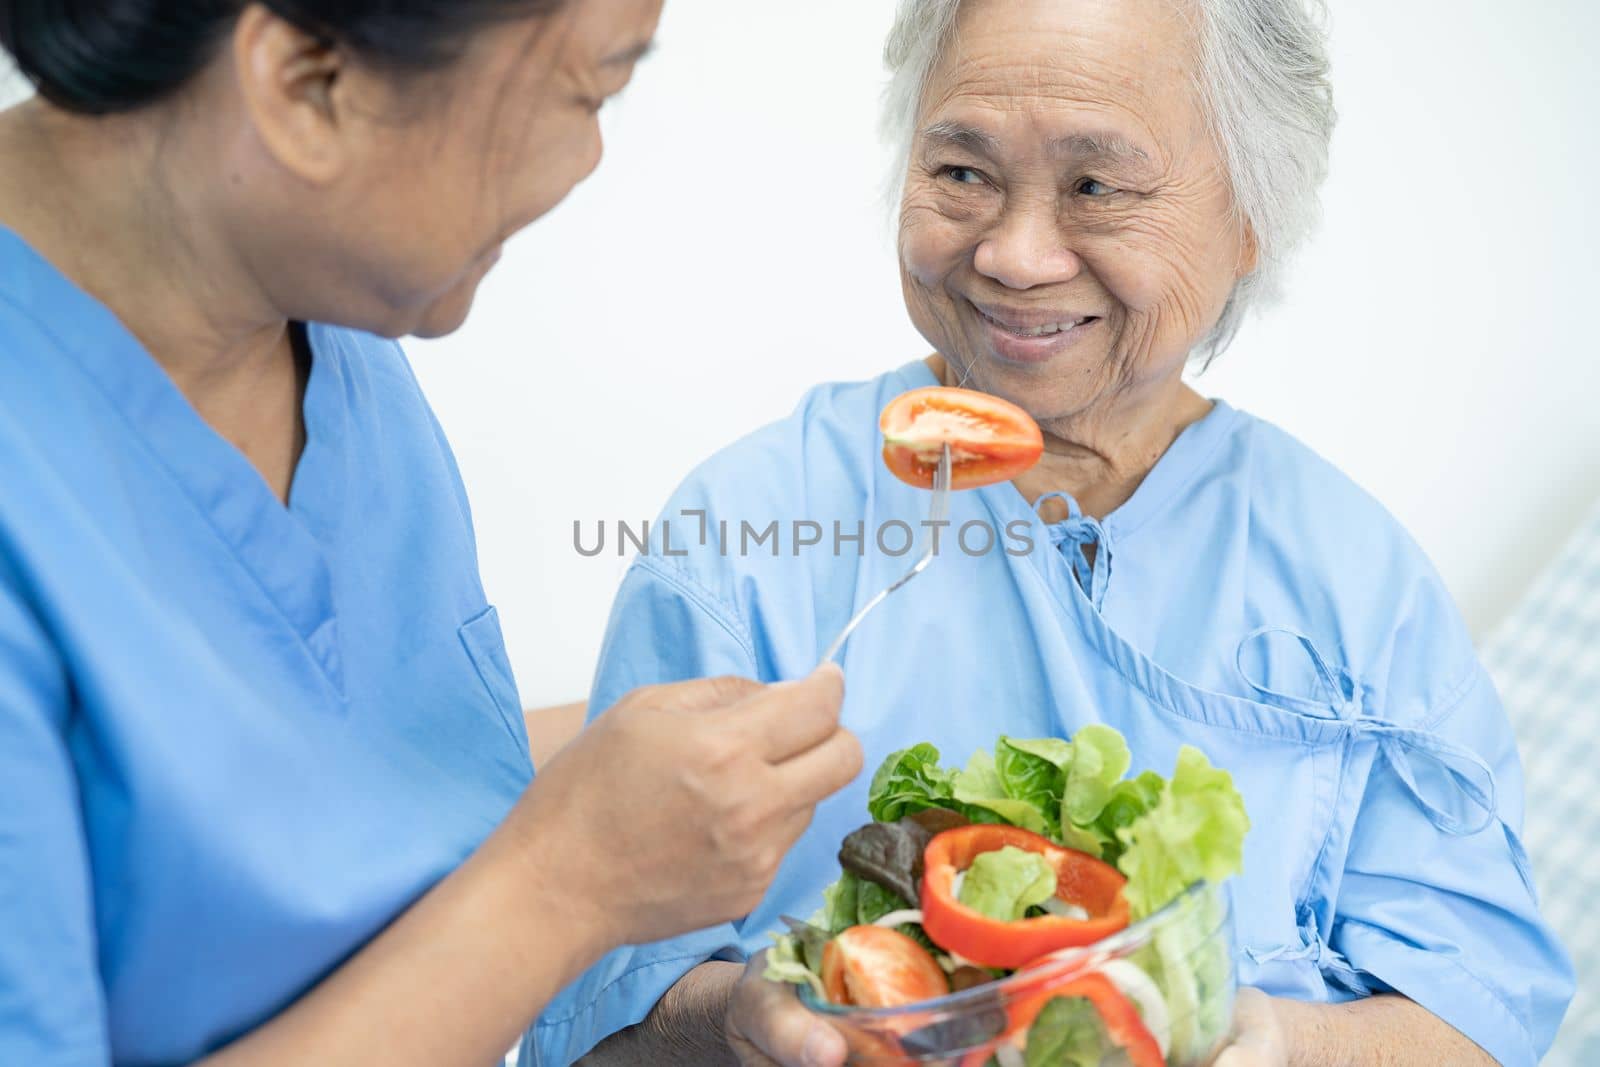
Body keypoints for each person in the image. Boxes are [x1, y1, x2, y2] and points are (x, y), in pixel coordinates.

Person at [538, 0, 1575, 1064]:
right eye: (961, 172)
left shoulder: (1359, 582)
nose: (1016, 254)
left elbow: (1475, 1013)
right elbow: (587, 1008)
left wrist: (1275, 1039)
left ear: (1252, 217)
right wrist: (731, 1018)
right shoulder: (746, 529)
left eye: (1095, 186)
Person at [0, 2, 863, 1064]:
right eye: (588, 90)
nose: (589, 157)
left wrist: (686, 1002)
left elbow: (376, 795)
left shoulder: (319, 316)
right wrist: (570, 879)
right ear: (307, 85)